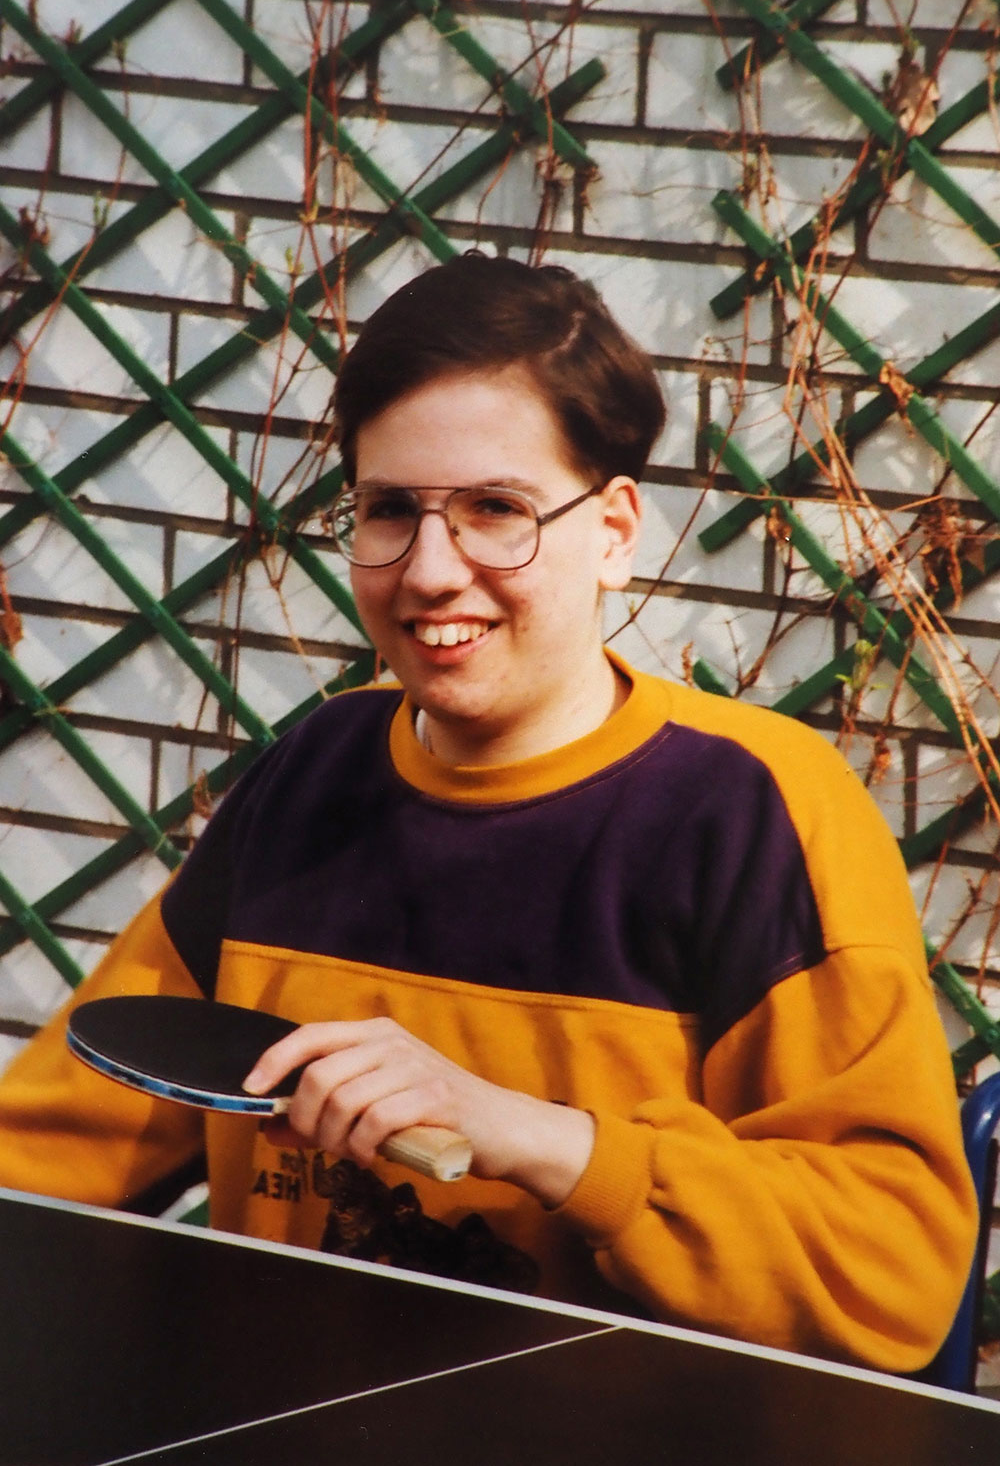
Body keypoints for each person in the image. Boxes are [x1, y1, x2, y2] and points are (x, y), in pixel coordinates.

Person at [0, 253, 977, 1371]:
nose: (428, 571)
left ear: (613, 531)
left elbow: (889, 1274)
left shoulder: (756, 810)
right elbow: (62, 1139)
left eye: (495, 511)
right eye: (390, 511)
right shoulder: (313, 772)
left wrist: (540, 1138)